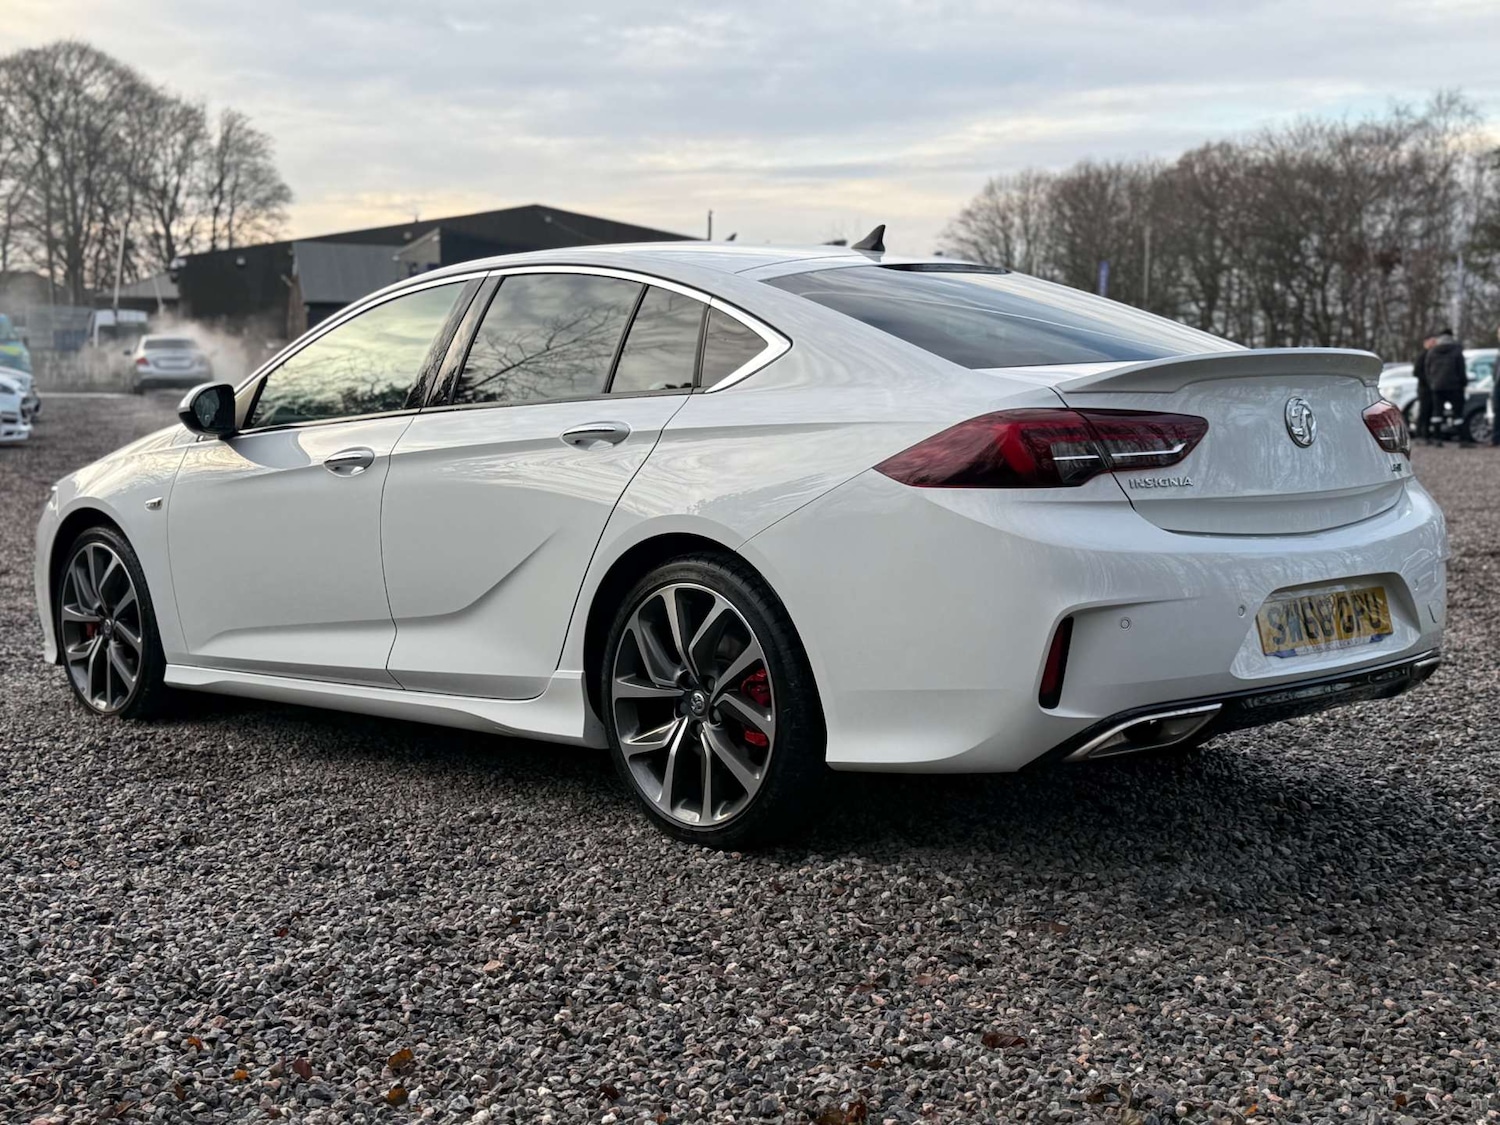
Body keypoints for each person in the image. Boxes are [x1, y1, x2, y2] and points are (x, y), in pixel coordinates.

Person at [1425, 327, 1472, 447]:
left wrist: (1432, 382)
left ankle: (1437, 439)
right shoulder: (1456, 350)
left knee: (1437, 414)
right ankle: (1463, 440)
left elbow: (1427, 369)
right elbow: (1461, 369)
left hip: (1437, 387)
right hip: (1455, 386)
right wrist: (1463, 382)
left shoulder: (1432, 351)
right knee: (1458, 414)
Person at [1411, 334, 1435, 442]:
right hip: (1424, 388)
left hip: (1429, 388)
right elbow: (1416, 372)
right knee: (1424, 411)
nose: (1434, 343)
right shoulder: (1422, 356)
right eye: (1432, 341)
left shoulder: (1432, 354)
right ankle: (1420, 434)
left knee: (1429, 411)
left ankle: (1426, 433)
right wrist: (1428, 379)